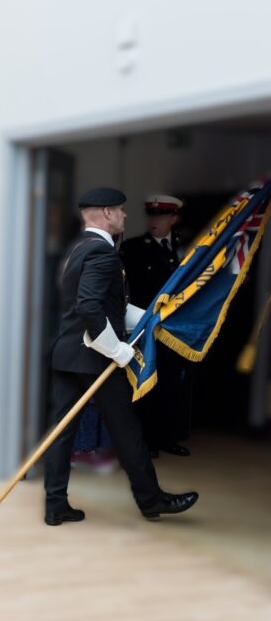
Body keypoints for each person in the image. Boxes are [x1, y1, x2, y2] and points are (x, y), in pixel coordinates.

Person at [44, 187, 198, 526]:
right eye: (121, 210)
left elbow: (109, 306)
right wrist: (118, 351)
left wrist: (150, 319)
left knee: (61, 433)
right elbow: (89, 308)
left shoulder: (79, 248)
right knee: (127, 431)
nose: (127, 216)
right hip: (94, 357)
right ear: (107, 213)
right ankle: (151, 500)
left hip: (67, 355)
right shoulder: (102, 252)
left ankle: (55, 505)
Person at [120, 194, 193, 458]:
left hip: (174, 330)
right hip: (145, 327)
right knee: (147, 382)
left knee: (173, 385)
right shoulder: (134, 248)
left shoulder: (185, 248)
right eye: (152, 215)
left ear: (174, 219)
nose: (155, 220)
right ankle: (147, 441)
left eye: (162, 216)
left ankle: (168, 437)